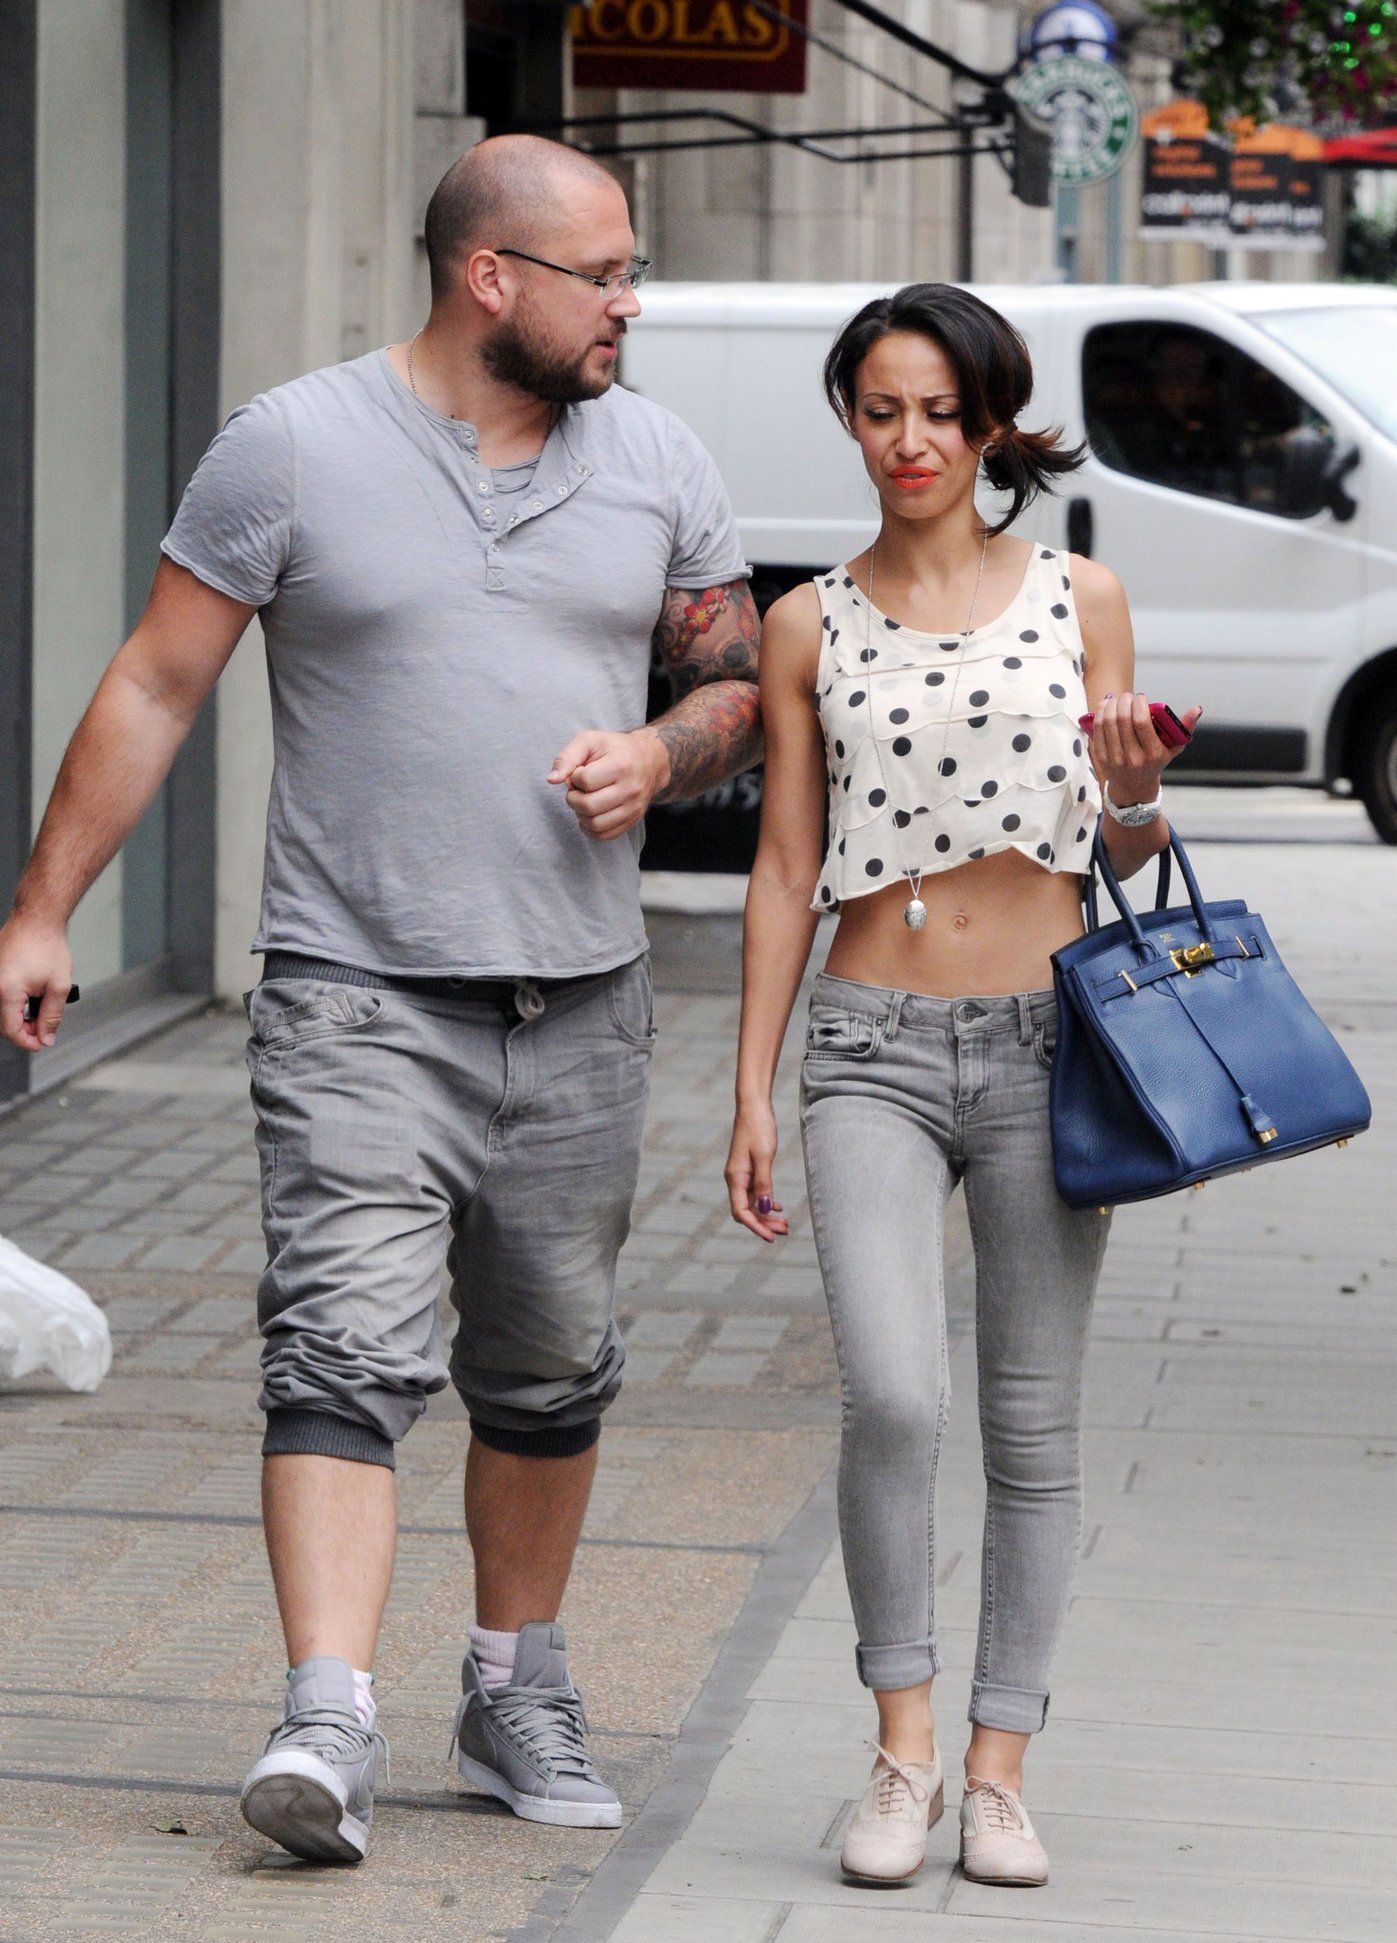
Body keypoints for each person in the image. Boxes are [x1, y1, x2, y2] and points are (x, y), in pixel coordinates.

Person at [0, 135, 761, 1863]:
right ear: (491, 279)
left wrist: (660, 747)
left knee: (551, 1367)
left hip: (580, 999)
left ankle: (512, 1687)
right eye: (605, 274)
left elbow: (733, 674)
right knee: (339, 1352)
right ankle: (325, 1716)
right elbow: (155, 680)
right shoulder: (291, 445)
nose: (629, 305)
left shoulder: (655, 455)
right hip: (352, 989)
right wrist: (44, 910)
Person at [724, 284, 1198, 1889]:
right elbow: (786, 863)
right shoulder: (806, 620)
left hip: (1044, 1040)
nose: (908, 441)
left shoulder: (1080, 594)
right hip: (864, 1042)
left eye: (938, 411)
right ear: (849, 419)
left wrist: (1134, 796)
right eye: (878, 409)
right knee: (893, 1398)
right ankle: (898, 1753)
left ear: (990, 424)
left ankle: (999, 1772)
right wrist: (745, 1084)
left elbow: (1122, 846)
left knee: (1029, 1421)